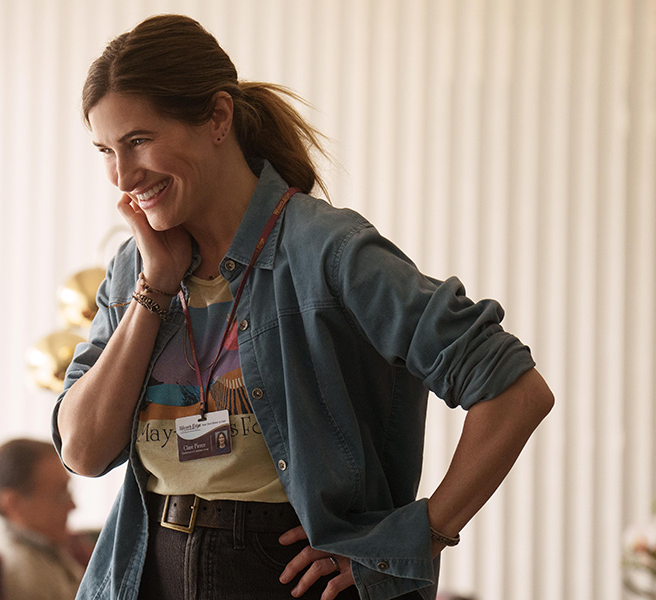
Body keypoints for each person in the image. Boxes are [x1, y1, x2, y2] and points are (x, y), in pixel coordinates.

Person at [53, 14, 554, 600]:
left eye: (138, 140)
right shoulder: (135, 267)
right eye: (106, 150)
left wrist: (414, 537)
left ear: (218, 118)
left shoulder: (329, 252)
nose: (122, 175)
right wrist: (155, 287)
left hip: (282, 575)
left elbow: (517, 392)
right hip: (147, 570)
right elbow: (84, 452)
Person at [0, 438, 86, 600]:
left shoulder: (38, 544)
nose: (73, 505)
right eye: (60, 494)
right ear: (13, 504)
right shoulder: (24, 571)